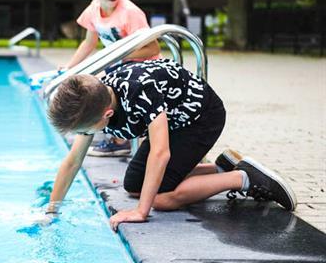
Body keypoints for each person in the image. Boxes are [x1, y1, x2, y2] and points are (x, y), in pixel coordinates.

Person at [44, 59, 297, 230]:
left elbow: (161, 153)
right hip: (174, 123)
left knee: (161, 199)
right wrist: (52, 211)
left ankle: (246, 178)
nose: (83, 135)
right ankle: (221, 168)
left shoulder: (137, 92)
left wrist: (141, 212)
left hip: (201, 118)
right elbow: (73, 161)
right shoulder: (95, 100)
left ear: (107, 115)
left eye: (83, 131)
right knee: (133, 185)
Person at [63, 0, 161, 157]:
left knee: (105, 90)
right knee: (91, 86)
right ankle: (112, 133)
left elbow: (153, 49)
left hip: (142, 68)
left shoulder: (130, 13)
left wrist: (118, 58)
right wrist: (68, 69)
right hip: (118, 65)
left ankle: (120, 140)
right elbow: (89, 42)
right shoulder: (93, 10)